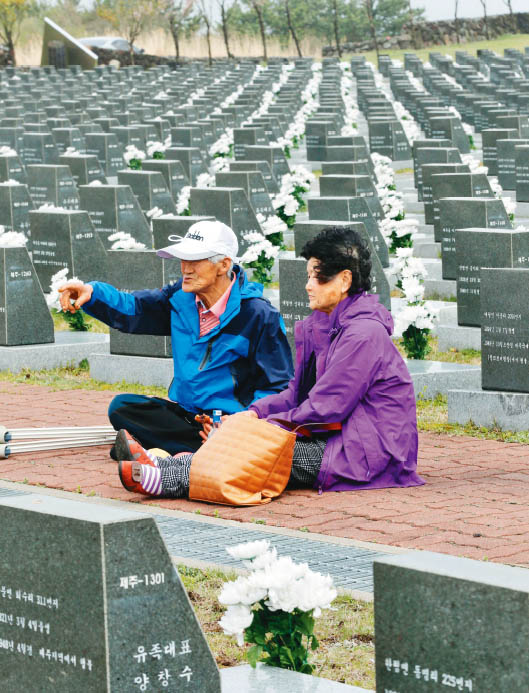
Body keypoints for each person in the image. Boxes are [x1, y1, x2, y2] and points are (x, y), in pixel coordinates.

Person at [115, 225, 424, 498]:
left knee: (258, 451)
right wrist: (251, 415)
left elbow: (326, 408)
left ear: (344, 280)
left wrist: (255, 428)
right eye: (309, 276)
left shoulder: (363, 334)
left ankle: (163, 475)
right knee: (247, 439)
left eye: (317, 277)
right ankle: (166, 465)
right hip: (337, 438)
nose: (308, 285)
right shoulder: (324, 324)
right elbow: (295, 395)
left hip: (368, 453)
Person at [58, 220, 293, 456]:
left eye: (195, 261)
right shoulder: (179, 299)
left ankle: (183, 449)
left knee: (242, 442)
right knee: (122, 407)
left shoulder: (258, 315)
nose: (185, 269)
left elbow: (278, 386)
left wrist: (240, 423)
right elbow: (134, 309)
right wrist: (93, 294)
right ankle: (202, 451)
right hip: (188, 416)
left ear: (223, 265)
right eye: (183, 259)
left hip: (235, 422)